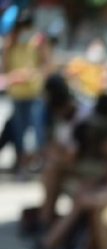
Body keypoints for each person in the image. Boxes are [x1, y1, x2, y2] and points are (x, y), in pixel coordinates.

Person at [2, 9, 52, 175]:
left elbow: (48, 64)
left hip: (35, 93)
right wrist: (12, 77)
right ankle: (21, 164)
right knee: (19, 131)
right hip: (17, 94)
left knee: (37, 132)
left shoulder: (38, 41)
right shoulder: (11, 41)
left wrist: (35, 74)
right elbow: (5, 67)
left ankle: (39, 165)